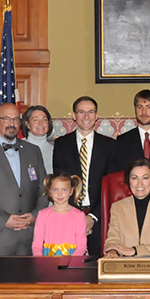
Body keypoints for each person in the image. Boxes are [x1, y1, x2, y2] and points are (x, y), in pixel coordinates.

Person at [0, 103, 49, 256]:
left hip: (28, 236)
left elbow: (43, 188)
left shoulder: (33, 151)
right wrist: (3, 219)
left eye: (15, 119)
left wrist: (34, 215)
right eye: (6, 119)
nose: (11, 124)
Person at [53, 96, 117, 256]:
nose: (86, 117)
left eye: (90, 112)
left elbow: (111, 188)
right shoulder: (61, 145)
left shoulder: (110, 146)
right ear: (74, 116)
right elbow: (60, 183)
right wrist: (76, 217)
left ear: (97, 116)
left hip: (100, 218)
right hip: (68, 216)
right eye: (81, 112)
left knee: (99, 267)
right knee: (70, 270)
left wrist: (92, 217)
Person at [104, 158, 150, 257]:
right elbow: (112, 240)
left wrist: (135, 251)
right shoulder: (118, 207)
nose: (139, 183)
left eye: (145, 178)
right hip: (126, 266)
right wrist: (113, 251)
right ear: (128, 181)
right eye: (134, 178)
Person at [32, 173, 88, 256]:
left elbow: (81, 245)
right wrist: (39, 259)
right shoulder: (42, 214)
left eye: (64, 189)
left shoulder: (79, 215)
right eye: (55, 189)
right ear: (49, 191)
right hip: (47, 260)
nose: (59, 193)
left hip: (72, 259)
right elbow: (37, 243)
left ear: (71, 191)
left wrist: (73, 261)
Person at [21, 105, 54, 174]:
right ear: (27, 124)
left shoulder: (55, 150)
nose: (41, 123)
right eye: (35, 120)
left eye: (44, 120)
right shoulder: (18, 147)